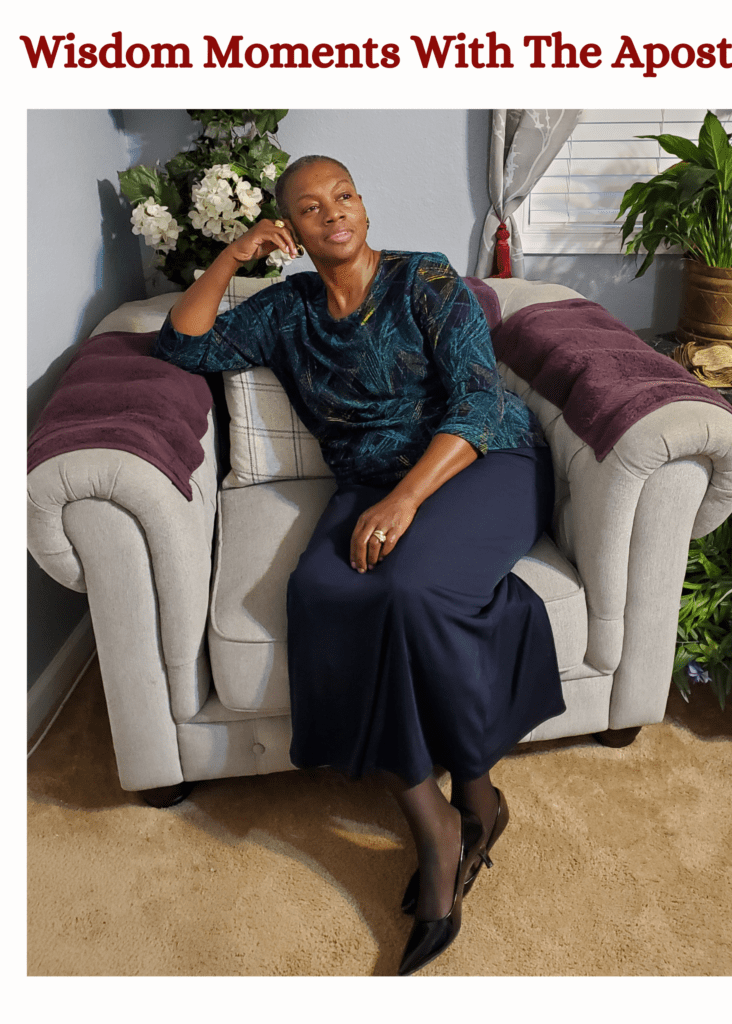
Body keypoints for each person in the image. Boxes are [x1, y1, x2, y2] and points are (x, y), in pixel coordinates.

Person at [153, 155, 566, 976]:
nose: (331, 213)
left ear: (363, 206)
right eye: (308, 208)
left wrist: (406, 502)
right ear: (292, 232)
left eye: (342, 196)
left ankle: (474, 794)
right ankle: (437, 820)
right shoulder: (285, 309)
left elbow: (480, 401)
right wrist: (233, 257)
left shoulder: (426, 280)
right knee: (320, 592)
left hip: (481, 462)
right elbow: (182, 347)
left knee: (410, 591)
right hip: (370, 482)